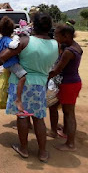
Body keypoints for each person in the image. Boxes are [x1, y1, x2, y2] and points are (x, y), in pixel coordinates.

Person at [0, 12, 58, 163]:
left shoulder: (25, 41)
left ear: (33, 25)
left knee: (23, 116)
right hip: (40, 84)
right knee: (39, 118)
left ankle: (24, 149)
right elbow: (53, 67)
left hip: (21, 82)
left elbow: (3, 56)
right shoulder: (55, 44)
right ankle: (43, 152)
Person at [48, 20, 82, 152]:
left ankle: (70, 144)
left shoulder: (68, 51)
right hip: (72, 82)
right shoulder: (75, 46)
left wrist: (44, 78)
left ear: (66, 36)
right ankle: (61, 131)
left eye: (57, 35)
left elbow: (57, 70)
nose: (55, 38)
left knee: (69, 113)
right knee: (57, 107)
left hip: (69, 84)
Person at [0, 16, 27, 113]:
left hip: (7, 64)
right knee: (23, 77)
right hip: (12, 63)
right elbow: (13, 45)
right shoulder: (8, 40)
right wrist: (18, 39)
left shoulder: (0, 40)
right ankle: (18, 98)